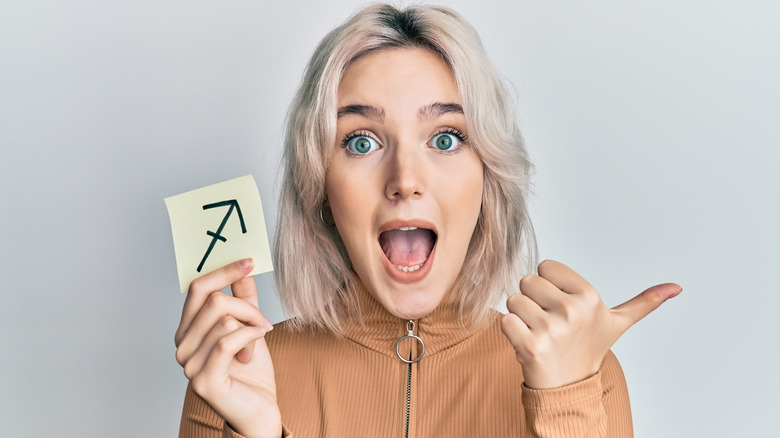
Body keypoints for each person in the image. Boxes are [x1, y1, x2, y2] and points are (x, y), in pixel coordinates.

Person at [174, 4, 681, 437]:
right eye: (361, 141)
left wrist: (567, 402)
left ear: (488, 179)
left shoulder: (585, 374)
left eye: (445, 138)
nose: (405, 179)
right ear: (321, 186)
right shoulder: (235, 375)